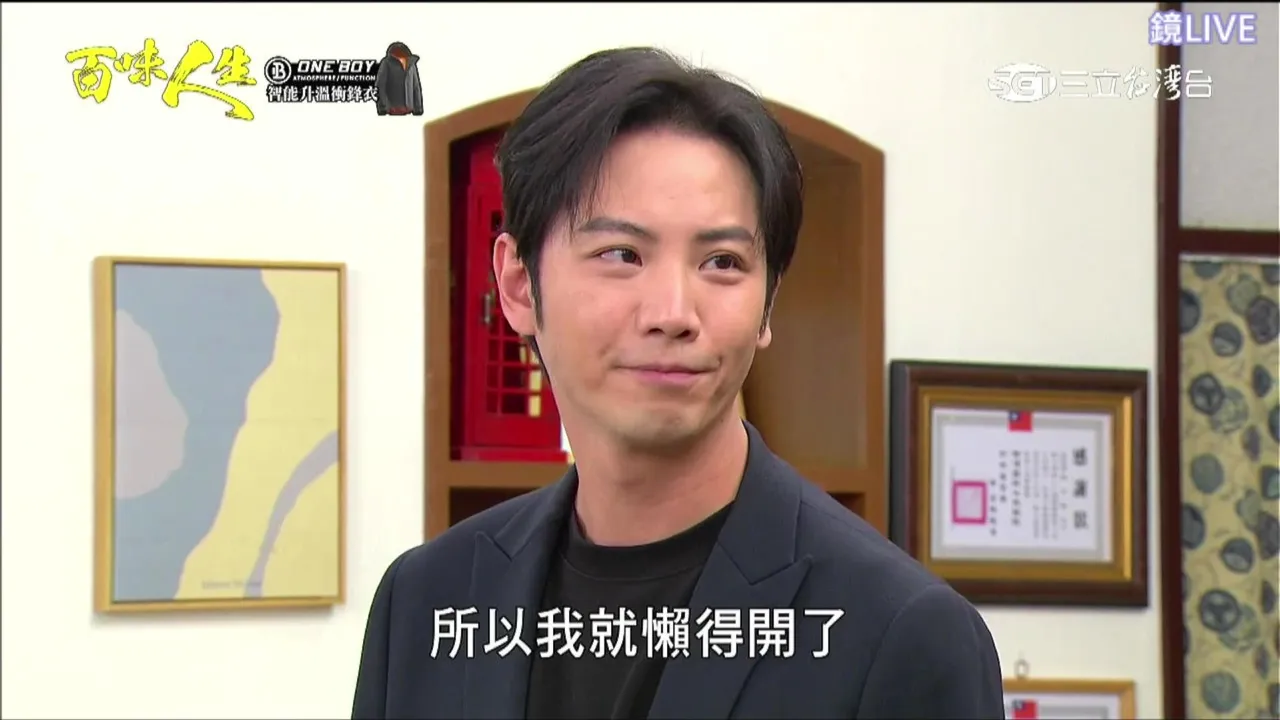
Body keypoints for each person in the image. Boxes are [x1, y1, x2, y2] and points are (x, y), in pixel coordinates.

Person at [352, 46, 1005, 720]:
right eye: (622, 254)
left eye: (721, 262)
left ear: (768, 305)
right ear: (518, 284)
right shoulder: (425, 602)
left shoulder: (901, 633)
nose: (672, 313)